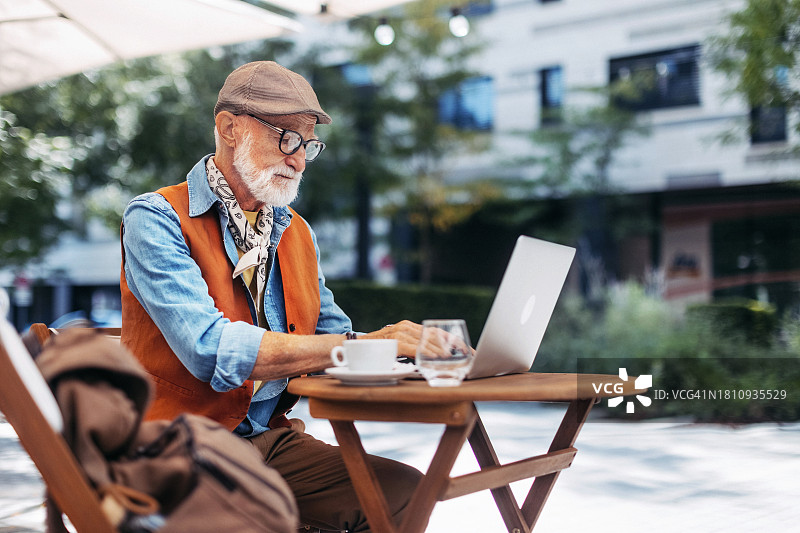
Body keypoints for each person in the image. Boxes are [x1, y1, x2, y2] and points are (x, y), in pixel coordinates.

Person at [120, 61, 424, 532]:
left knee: (405, 494)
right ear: (229, 129)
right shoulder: (155, 218)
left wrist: (412, 351)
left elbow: (332, 340)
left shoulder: (295, 231)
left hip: (269, 441)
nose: (299, 159)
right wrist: (362, 346)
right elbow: (210, 348)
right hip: (179, 447)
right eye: (287, 138)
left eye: (308, 145)